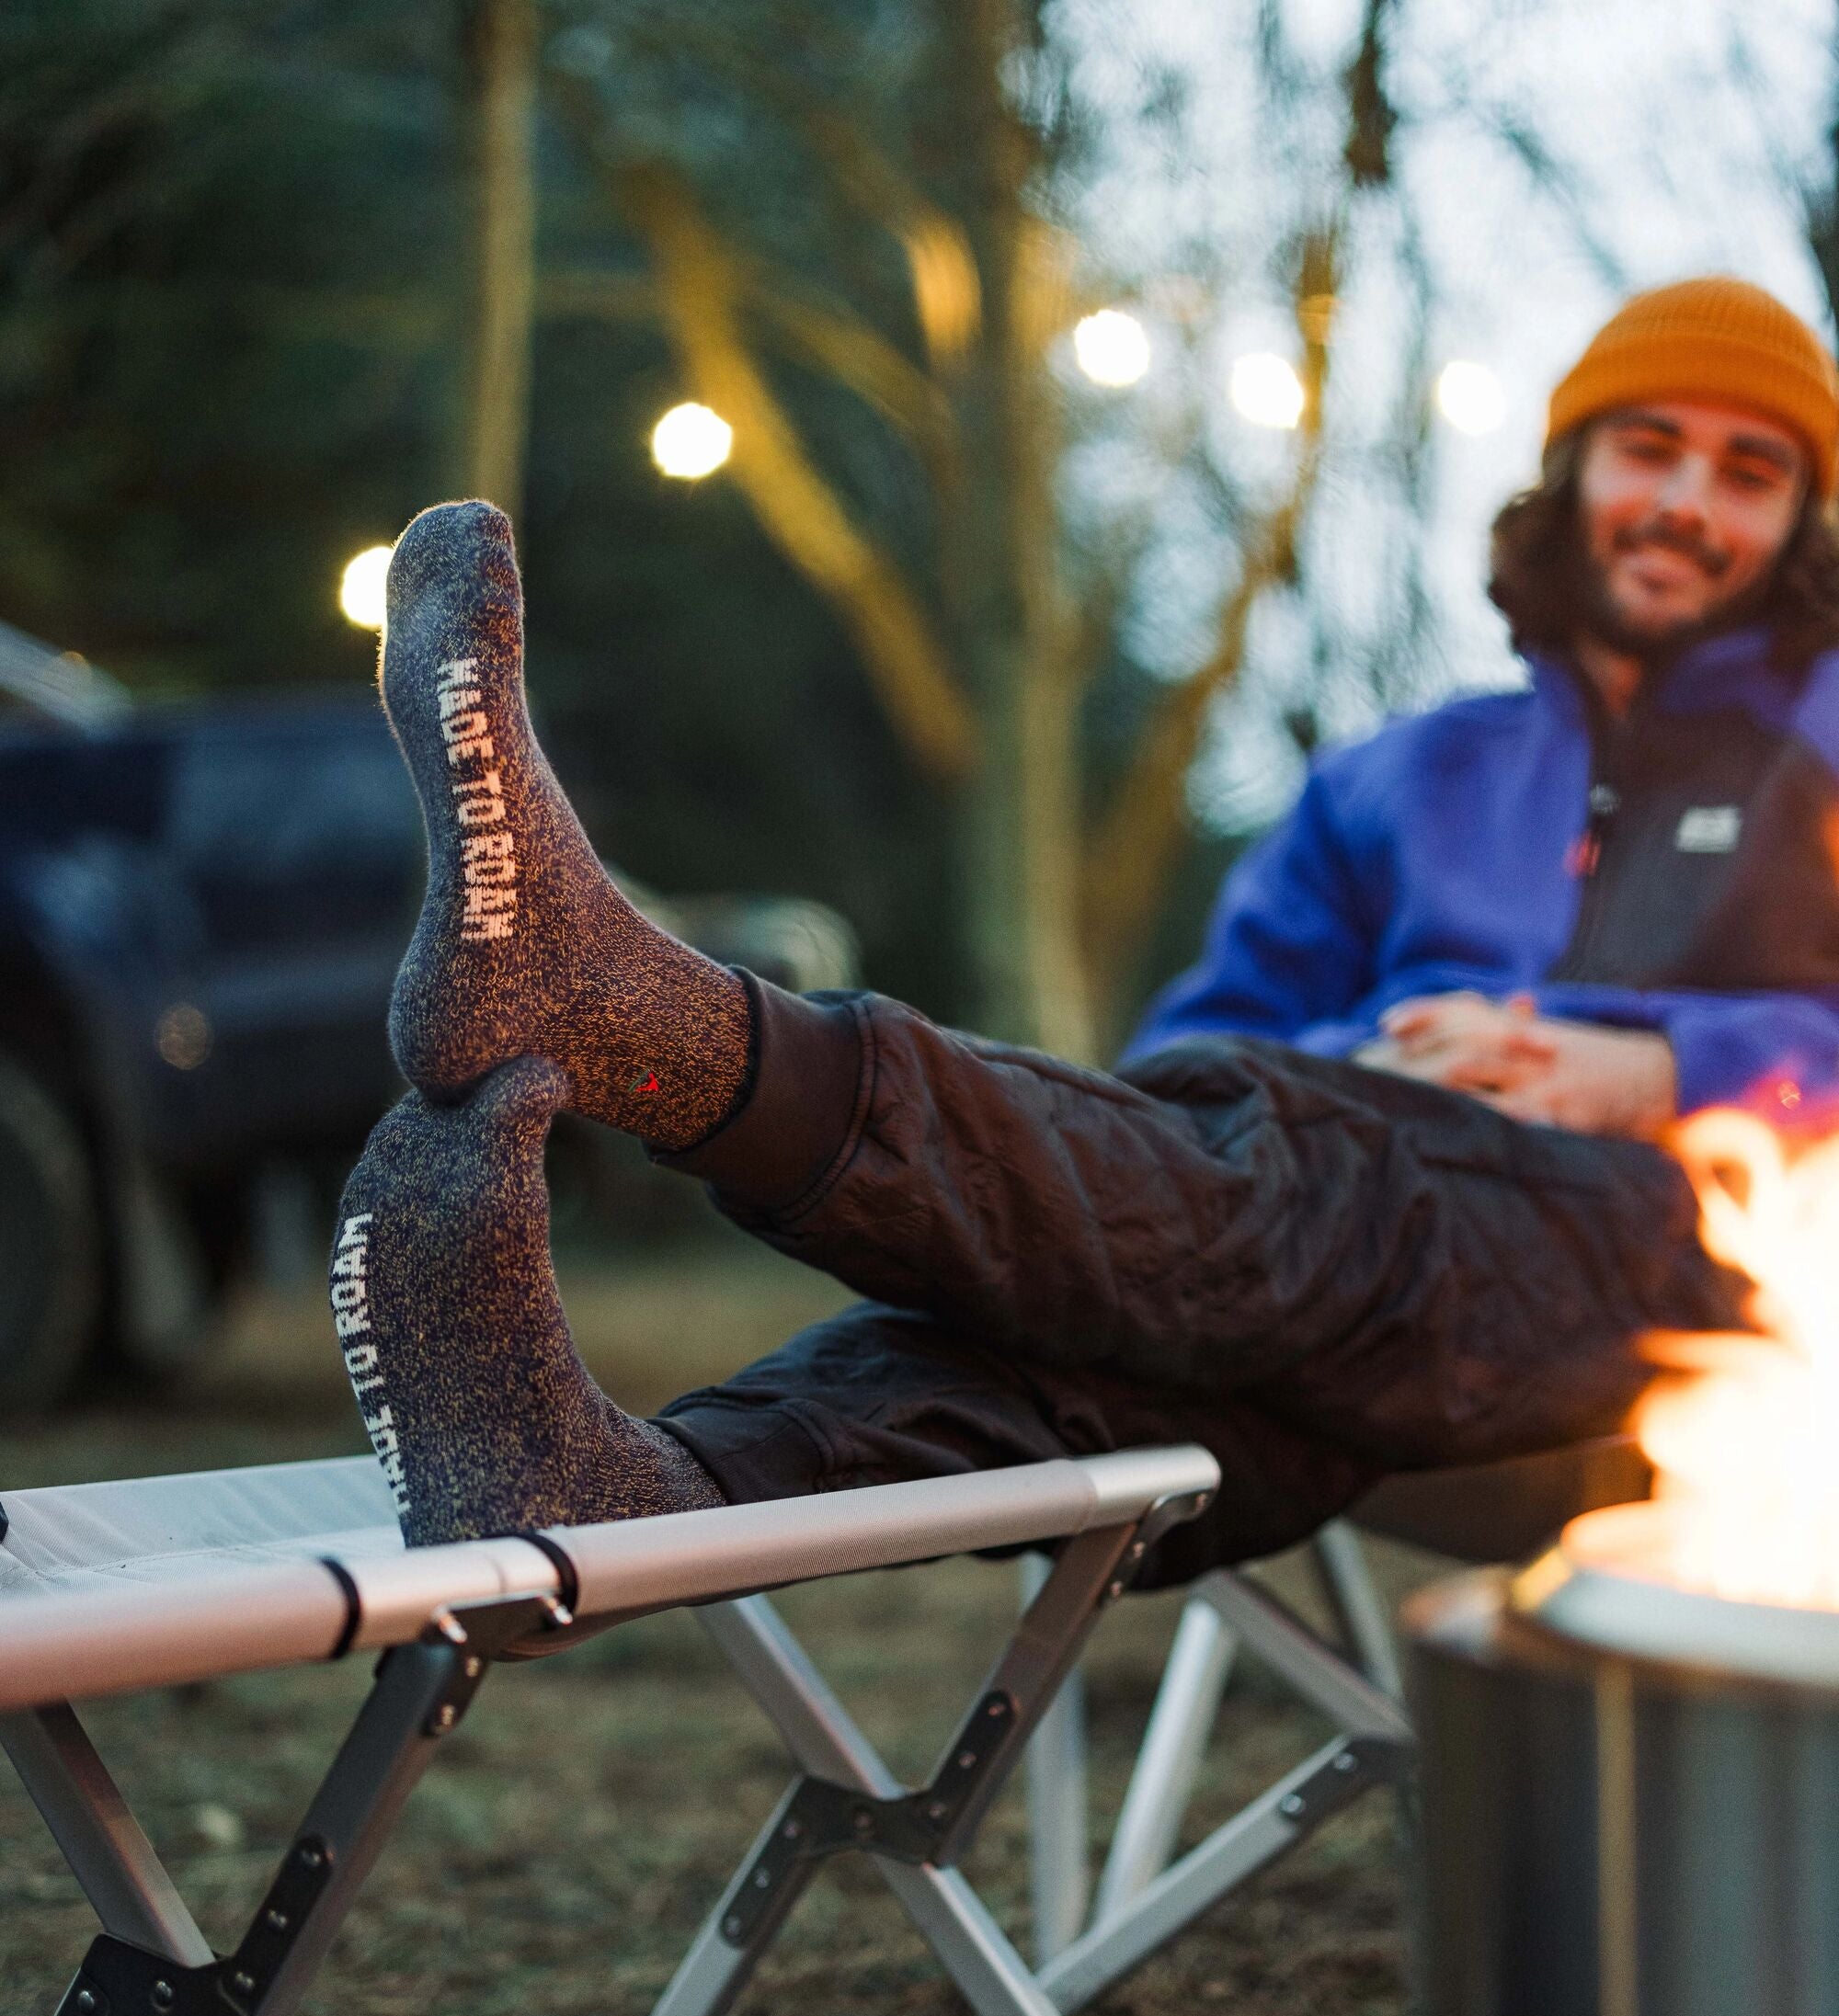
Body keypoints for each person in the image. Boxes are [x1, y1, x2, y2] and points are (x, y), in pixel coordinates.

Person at [333, 276, 1838, 1589]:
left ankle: (660, 1026)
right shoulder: (1404, 777)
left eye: (1749, 470)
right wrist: (1379, 1066)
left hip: (1695, 1295)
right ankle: (633, 1492)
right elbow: (1192, 1061)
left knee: (1306, 1200)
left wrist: (1652, 1069)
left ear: (1800, 517)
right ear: (1575, 470)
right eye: (1653, 448)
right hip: (1354, 1305)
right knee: (1113, 1336)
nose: (1689, 503)